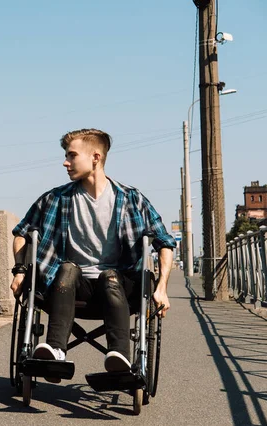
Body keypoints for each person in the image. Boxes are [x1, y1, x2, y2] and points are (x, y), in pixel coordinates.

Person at [10, 128, 176, 380]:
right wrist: (20, 271)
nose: (65, 162)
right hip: (69, 287)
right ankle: (54, 350)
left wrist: (162, 287)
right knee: (67, 268)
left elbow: (165, 242)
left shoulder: (131, 199)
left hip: (119, 286)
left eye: (71, 155)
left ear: (95, 158)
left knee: (110, 275)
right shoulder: (55, 198)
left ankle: (118, 356)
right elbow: (22, 232)